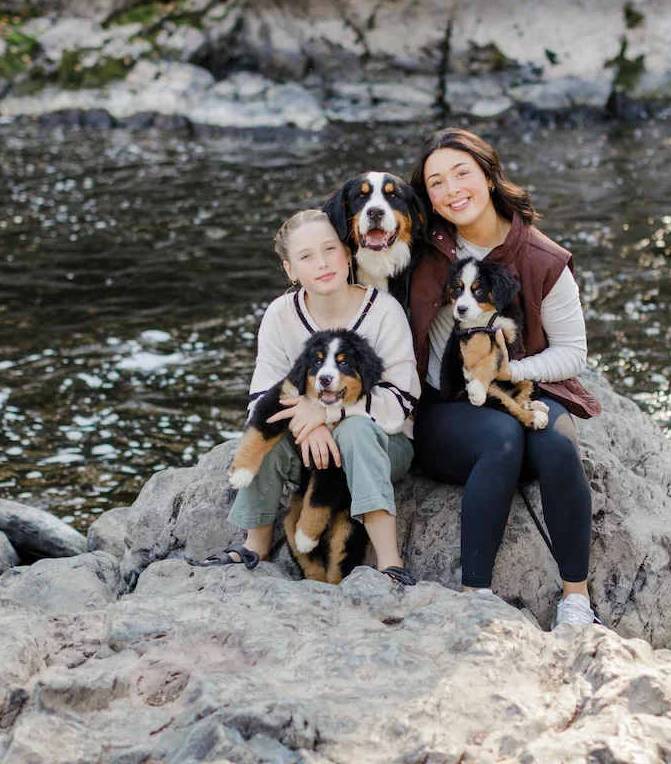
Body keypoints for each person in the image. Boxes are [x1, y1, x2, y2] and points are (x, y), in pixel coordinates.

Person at [407, 128, 603, 628]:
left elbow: (572, 354)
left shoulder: (544, 259)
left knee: (557, 446)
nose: (451, 190)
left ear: (489, 177)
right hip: (445, 404)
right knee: (500, 437)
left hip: (522, 385)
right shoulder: (419, 250)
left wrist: (508, 370)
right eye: (436, 183)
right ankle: (477, 595)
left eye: (461, 174)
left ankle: (576, 602)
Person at [211, 209, 419, 585]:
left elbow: (402, 399)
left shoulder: (384, 311)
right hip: (309, 448)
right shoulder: (280, 314)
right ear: (291, 271)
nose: (322, 263)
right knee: (269, 429)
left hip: (382, 441)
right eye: (307, 257)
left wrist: (327, 415)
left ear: (348, 252)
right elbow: (262, 395)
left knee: (355, 430)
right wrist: (309, 426)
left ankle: (390, 560)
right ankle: (254, 544)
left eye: (330, 249)